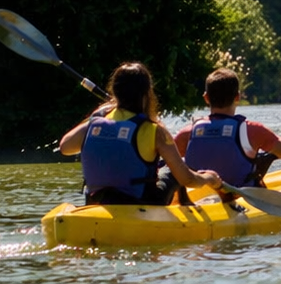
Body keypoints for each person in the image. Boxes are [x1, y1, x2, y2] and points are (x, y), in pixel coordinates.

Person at [59, 62, 221, 206]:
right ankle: (185, 208)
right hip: (140, 204)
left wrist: (97, 115)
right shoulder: (154, 131)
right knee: (175, 168)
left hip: (96, 201)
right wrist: (209, 178)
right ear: (146, 94)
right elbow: (188, 180)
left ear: (115, 91)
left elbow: (65, 147)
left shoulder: (93, 124)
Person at [174, 68, 281, 188]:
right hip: (241, 200)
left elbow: (167, 163)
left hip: (197, 202)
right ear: (237, 97)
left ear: (206, 98)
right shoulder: (253, 131)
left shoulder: (187, 134)